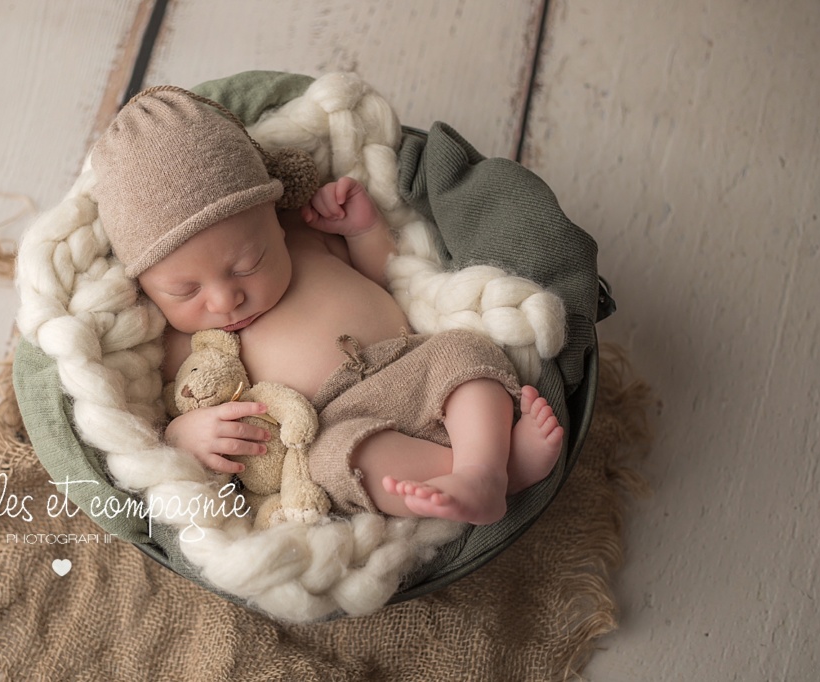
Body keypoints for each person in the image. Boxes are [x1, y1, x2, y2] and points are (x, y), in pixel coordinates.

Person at [91, 87, 563, 525]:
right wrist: (185, 437)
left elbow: (389, 279)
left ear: (276, 220)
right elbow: (162, 420)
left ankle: (486, 467)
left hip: (412, 360)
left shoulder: (306, 237)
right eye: (184, 291)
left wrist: (363, 232)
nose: (224, 298)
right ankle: (474, 478)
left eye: (246, 264)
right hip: (336, 423)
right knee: (335, 464)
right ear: (148, 291)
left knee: (464, 351)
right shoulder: (178, 343)